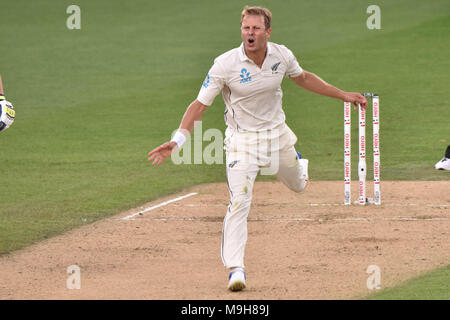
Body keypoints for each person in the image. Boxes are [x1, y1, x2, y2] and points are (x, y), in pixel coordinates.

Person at [148, 6, 367, 291]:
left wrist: (342, 95)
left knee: (299, 186)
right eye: (245, 28)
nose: (249, 33)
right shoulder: (225, 64)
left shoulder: (282, 55)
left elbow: (302, 78)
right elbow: (199, 105)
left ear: (267, 32)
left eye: (255, 28)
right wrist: (178, 140)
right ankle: (235, 269)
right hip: (242, 143)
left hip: (277, 136)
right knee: (239, 202)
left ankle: (298, 164)